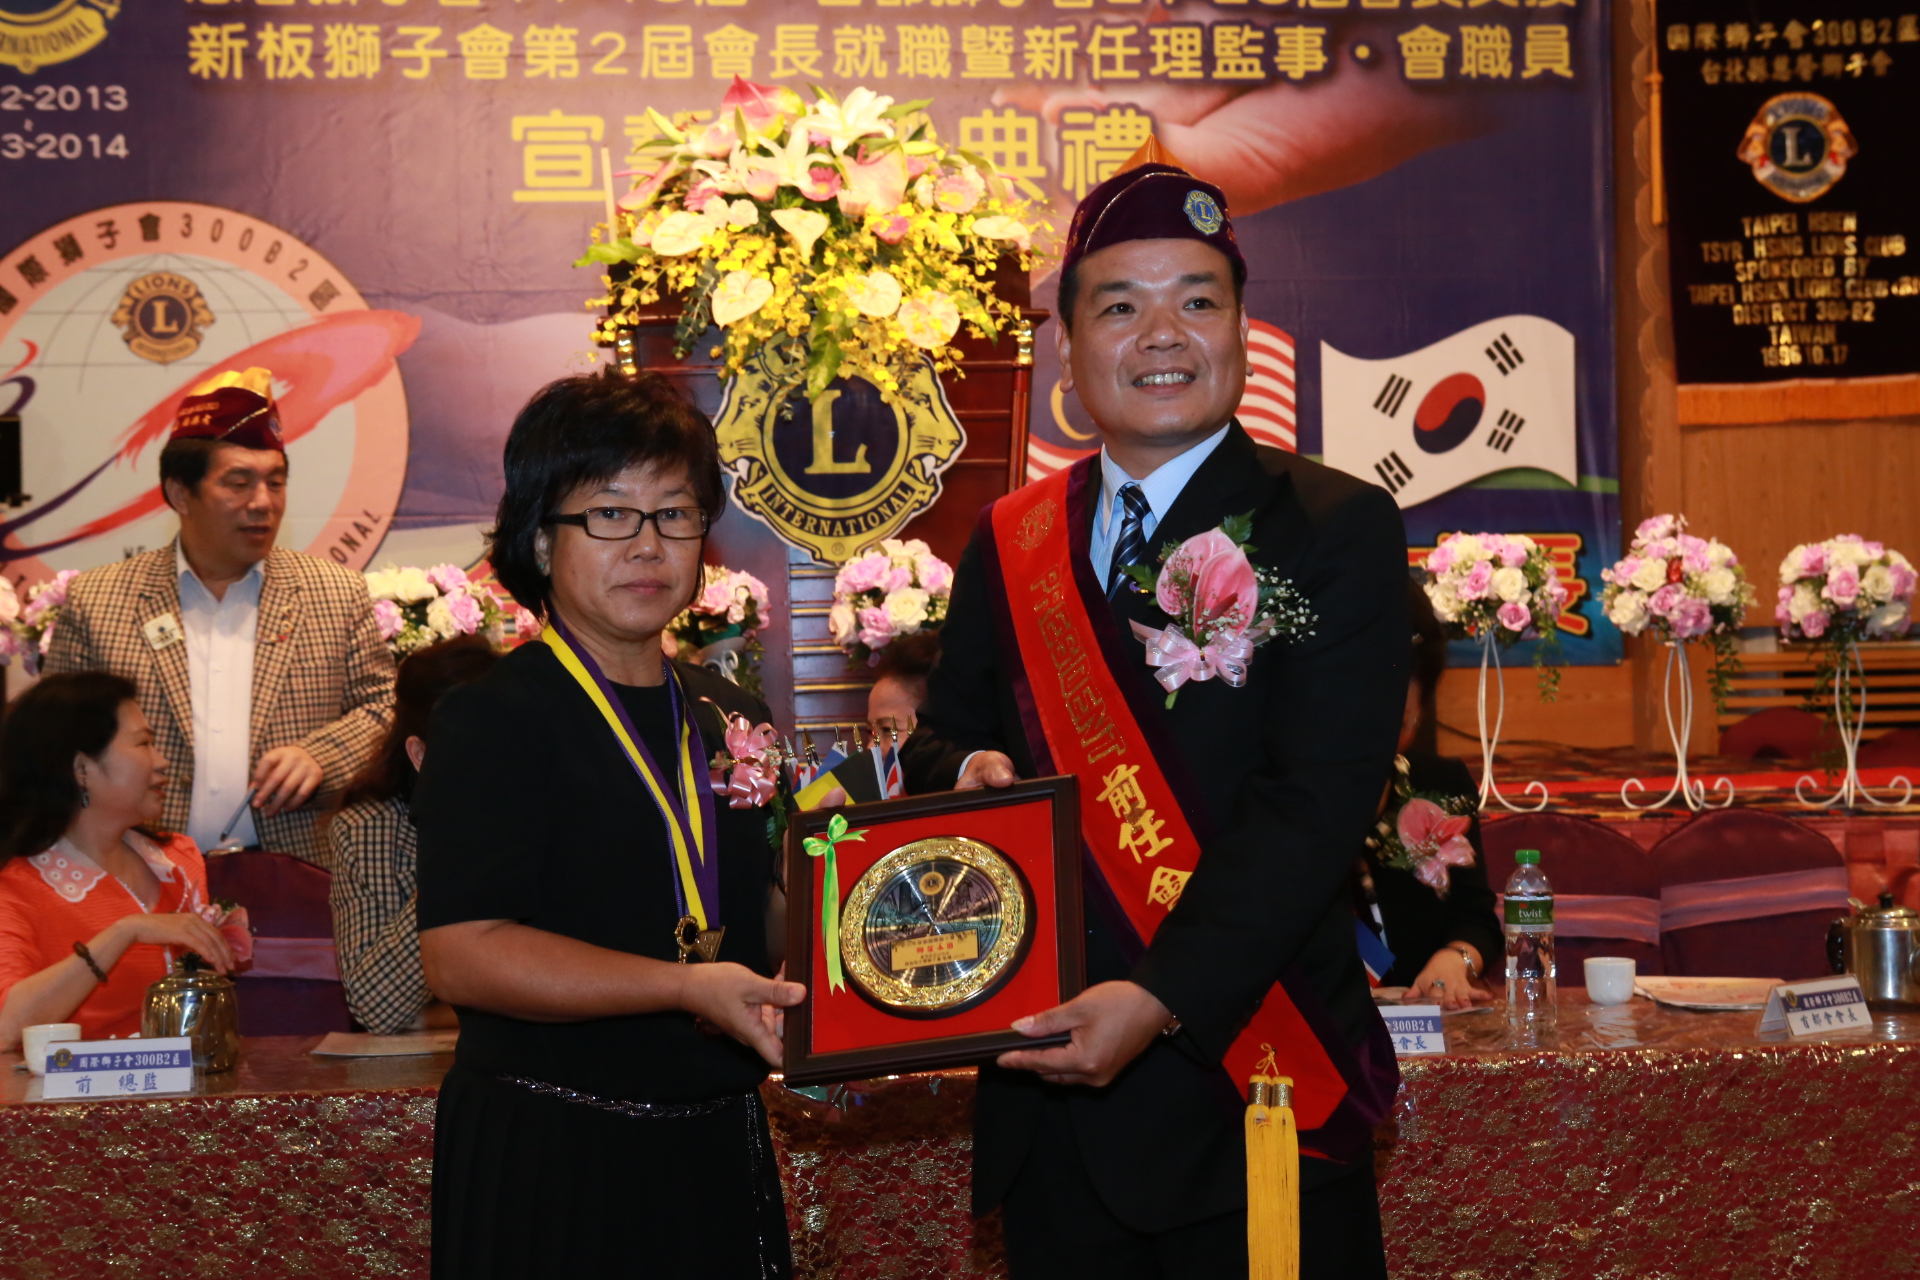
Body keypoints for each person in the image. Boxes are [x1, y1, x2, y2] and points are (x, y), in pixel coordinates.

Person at [900, 162, 1407, 1278]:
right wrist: (969, 770)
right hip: (1051, 1109)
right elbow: (937, 738)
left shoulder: (1334, 525)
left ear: (1241, 331)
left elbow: (1315, 808)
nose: (1162, 334)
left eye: (1197, 300)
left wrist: (1159, 996)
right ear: (1070, 351)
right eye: (1121, 305)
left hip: (1247, 1088)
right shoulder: (1011, 535)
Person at [412, 369, 804, 1279]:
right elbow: (463, 952)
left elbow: (759, 923)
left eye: (675, 514)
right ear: (540, 540)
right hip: (552, 1152)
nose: (648, 544)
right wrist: (685, 987)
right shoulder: (492, 718)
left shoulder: (729, 716)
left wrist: (853, 887)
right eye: (610, 514)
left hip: (714, 1142)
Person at [44, 367, 396, 867]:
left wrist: (321, 756)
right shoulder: (99, 601)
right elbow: (54, 739)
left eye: (276, 483)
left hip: (295, 871)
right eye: (238, 483)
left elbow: (385, 709)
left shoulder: (334, 593)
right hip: (140, 869)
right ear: (180, 494)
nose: (263, 503)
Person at [0, 673, 237, 1048]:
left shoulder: (178, 862)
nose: (162, 762)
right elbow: (6, 1027)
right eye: (143, 743)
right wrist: (125, 932)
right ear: (82, 769)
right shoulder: (14, 885)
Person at [326, 635, 497, 1035]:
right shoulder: (370, 832)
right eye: (468, 749)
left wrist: (435, 1017)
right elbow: (377, 1010)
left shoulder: (559, 809)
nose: (493, 767)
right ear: (420, 754)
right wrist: (458, 857)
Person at [1355, 579, 1501, 1011]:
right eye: (1364, 720)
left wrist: (1456, 959)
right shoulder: (1282, 795)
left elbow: (1476, 918)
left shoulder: (1441, 785)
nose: (1379, 740)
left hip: (1422, 1026)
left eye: (1400, 723)